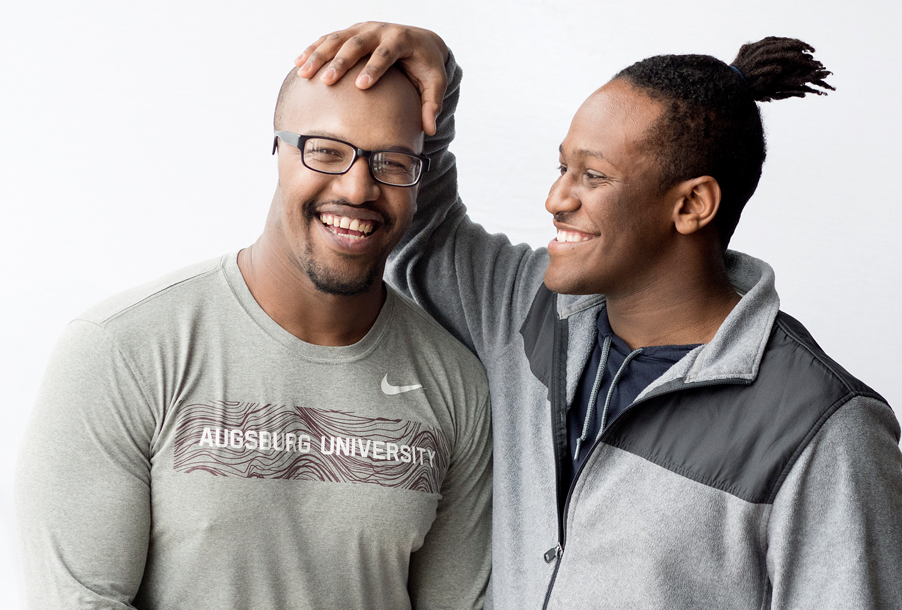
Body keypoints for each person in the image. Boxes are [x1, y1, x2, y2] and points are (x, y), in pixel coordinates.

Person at [298, 23, 902, 609]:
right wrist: (436, 80)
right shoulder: (530, 310)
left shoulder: (826, 429)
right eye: (561, 168)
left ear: (692, 204)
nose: (557, 198)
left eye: (592, 175)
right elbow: (420, 235)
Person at [15, 58, 492, 609]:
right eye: (326, 151)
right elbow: (77, 599)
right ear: (279, 152)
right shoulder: (122, 350)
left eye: (392, 162)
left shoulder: (457, 385)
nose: (358, 188)